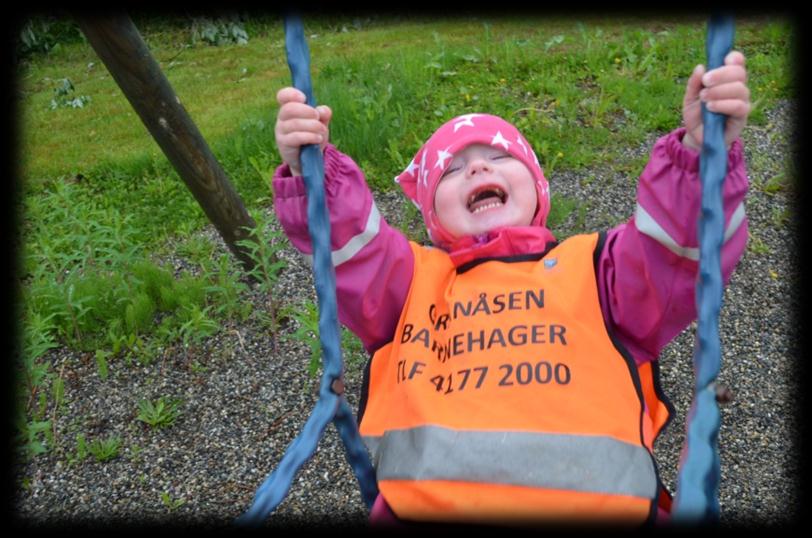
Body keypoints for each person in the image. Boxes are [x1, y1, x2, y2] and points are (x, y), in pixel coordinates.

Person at [271, 50, 751, 525]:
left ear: (539, 189)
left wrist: (697, 159)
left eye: (500, 156)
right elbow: (355, 251)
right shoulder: (414, 282)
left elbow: (673, 253)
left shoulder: (596, 269)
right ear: (434, 220)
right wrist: (312, 174)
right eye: (452, 170)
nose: (478, 169)